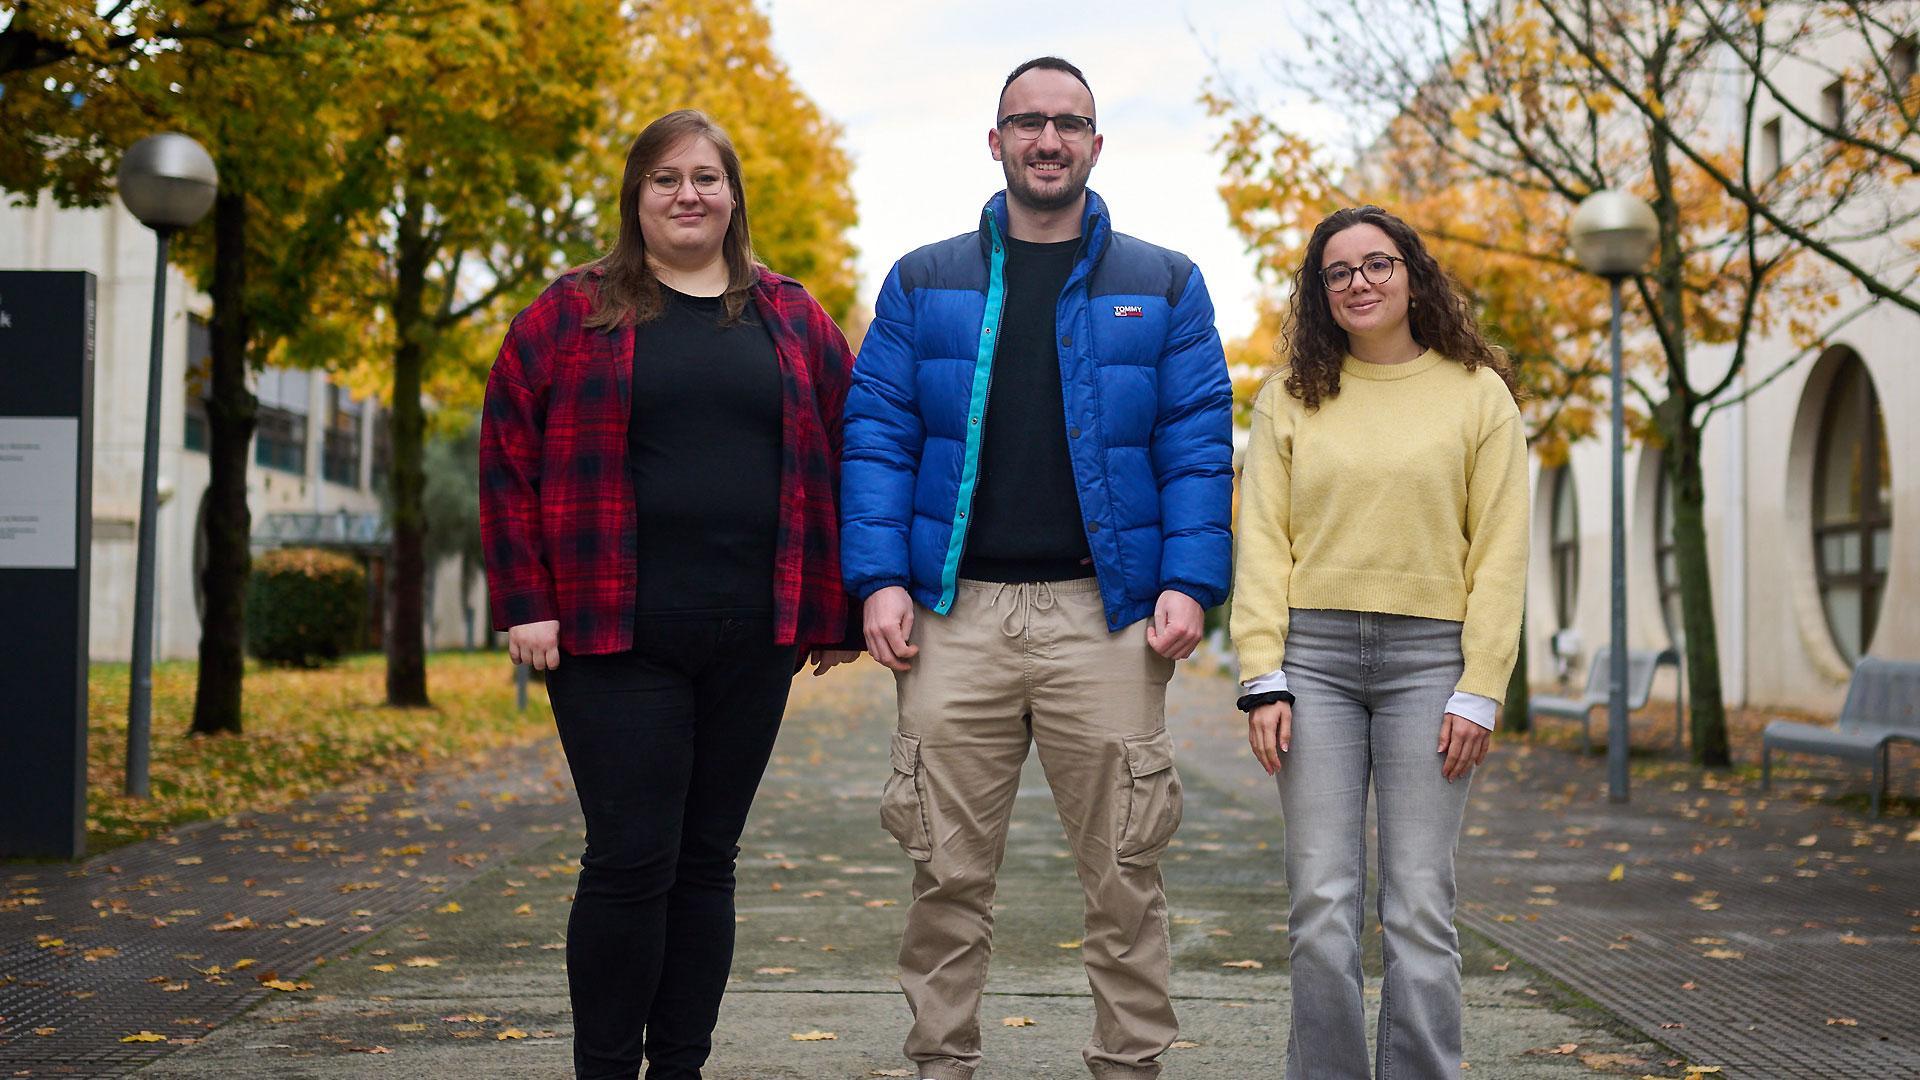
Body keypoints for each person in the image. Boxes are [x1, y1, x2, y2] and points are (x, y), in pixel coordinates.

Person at [840, 56, 1234, 1080]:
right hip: (952, 620)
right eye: (1028, 121)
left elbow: (1196, 443)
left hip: (1103, 624)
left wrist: (1189, 584)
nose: (1048, 139)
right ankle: (942, 1065)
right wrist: (880, 578)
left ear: (1097, 143)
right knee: (945, 876)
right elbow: (876, 435)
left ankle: (1128, 1067)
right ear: (997, 139)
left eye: (1068, 123)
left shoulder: (1166, 283)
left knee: (1124, 877)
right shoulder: (923, 281)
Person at [477, 108, 861, 1080]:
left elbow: (858, 448)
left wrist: (848, 604)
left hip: (755, 633)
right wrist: (525, 598)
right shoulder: (571, 312)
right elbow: (507, 455)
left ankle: (679, 1070)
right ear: (636, 198)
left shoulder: (791, 314)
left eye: (706, 177)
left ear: (734, 195)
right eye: (665, 178)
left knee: (706, 862)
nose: (688, 194)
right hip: (613, 636)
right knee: (629, 857)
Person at [1230, 204, 1529, 1079]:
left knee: (1420, 908)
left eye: (1377, 264)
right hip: (1312, 662)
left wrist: (1482, 683)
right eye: (1339, 272)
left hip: (1432, 667)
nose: (1359, 282)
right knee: (1321, 904)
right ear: (1320, 293)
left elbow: (1502, 546)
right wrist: (1262, 674)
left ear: (1413, 275)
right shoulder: (1290, 397)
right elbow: (1262, 543)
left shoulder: (1478, 394)